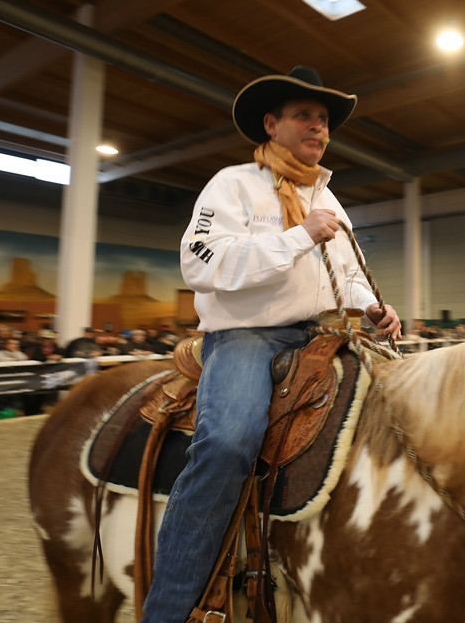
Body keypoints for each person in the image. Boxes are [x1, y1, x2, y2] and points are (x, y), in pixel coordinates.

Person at [143, 65, 401, 623]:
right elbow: (199, 261)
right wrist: (299, 236)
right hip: (246, 335)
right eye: (305, 115)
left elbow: (347, 273)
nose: (319, 128)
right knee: (230, 441)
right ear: (272, 124)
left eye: (325, 120)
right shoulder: (232, 184)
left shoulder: (329, 197)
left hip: (323, 333)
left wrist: (374, 306)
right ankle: (167, 610)